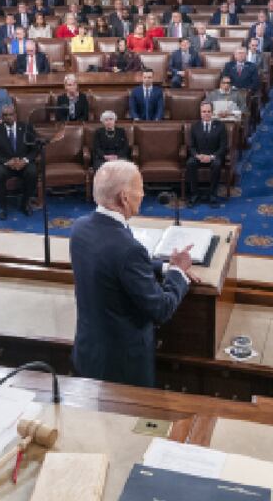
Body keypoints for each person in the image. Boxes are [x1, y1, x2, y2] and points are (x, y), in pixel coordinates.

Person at [69, 160, 196, 388]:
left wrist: (165, 266)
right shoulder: (129, 250)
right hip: (122, 367)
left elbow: (112, 263)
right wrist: (178, 272)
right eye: (140, 188)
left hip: (89, 352)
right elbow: (160, 309)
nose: (144, 193)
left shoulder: (80, 228)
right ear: (124, 197)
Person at [0, 106, 38, 219]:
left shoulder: (26, 128)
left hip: (23, 163)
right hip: (5, 165)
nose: (8, 117)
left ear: (15, 115)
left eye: (11, 114)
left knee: (32, 172)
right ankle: (2, 206)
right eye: (5, 115)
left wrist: (25, 160)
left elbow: (35, 149)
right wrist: (7, 162)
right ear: (1, 117)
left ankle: (25, 203)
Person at [186, 102, 228, 207]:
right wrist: (197, 155)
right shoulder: (195, 127)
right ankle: (194, 194)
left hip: (214, 156)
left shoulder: (220, 126)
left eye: (208, 111)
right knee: (190, 163)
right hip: (199, 156)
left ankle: (213, 195)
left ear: (212, 113)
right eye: (204, 111)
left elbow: (223, 147)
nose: (206, 114)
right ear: (200, 113)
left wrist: (212, 157)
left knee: (217, 164)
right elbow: (191, 146)